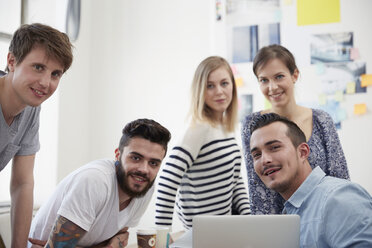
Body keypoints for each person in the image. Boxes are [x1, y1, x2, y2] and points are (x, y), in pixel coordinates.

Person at [27, 118, 171, 248]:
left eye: (153, 163)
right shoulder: (95, 181)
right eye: (135, 158)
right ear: (118, 155)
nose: (144, 170)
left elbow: (119, 237)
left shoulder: (145, 187)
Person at [241, 44, 349, 214]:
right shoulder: (252, 124)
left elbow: (340, 179)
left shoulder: (321, 120)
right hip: (280, 227)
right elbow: (258, 191)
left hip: (324, 218)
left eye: (279, 77)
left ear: (295, 75)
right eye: (264, 80)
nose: (272, 87)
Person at [155, 56, 250, 230]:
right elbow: (167, 182)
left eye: (224, 83)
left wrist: (249, 220)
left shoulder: (226, 128)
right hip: (202, 235)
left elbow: (234, 181)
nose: (219, 91)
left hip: (223, 232)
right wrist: (163, 238)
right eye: (210, 86)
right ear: (200, 90)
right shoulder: (198, 128)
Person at [249, 113, 372, 247]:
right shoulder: (291, 212)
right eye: (257, 155)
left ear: (302, 152)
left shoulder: (339, 198)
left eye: (274, 148)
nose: (265, 160)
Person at [0, 23, 73, 248]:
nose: (45, 83)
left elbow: (22, 183)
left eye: (55, 74)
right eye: (38, 67)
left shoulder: (31, 109)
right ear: (12, 61)